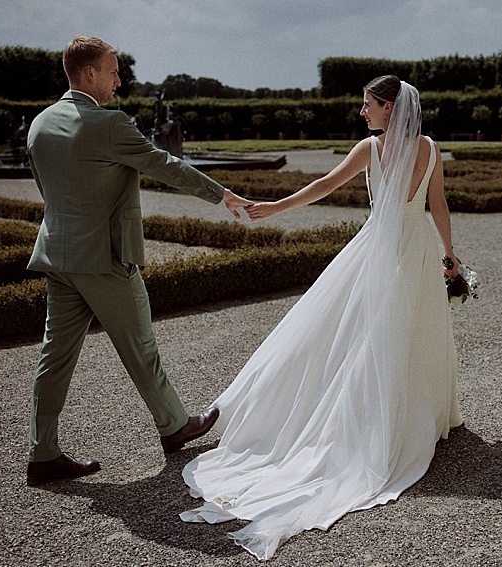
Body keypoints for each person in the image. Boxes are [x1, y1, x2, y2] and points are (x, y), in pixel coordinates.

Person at [180, 75, 464, 560]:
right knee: (408, 333)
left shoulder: (369, 150)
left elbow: (322, 187)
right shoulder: (431, 148)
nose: (362, 112)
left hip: (377, 250)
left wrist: (275, 207)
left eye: (368, 105)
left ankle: (375, 419)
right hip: (414, 252)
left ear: (390, 109)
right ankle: (410, 416)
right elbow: (437, 204)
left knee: (363, 336)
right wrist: (449, 254)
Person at [25, 35, 251, 487]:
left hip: (57, 255)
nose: (119, 80)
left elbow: (49, 191)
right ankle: (174, 426)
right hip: (105, 259)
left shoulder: (40, 125)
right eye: (112, 71)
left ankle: (42, 453)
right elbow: (165, 164)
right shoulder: (108, 124)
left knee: (53, 359)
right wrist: (220, 194)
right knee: (141, 348)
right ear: (89, 74)